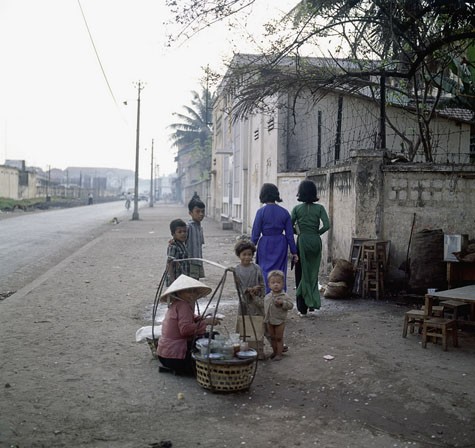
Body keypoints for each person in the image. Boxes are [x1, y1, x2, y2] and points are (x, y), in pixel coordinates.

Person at [157, 275, 220, 375]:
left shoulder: (176, 303)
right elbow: (185, 330)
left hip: (164, 355)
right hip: (175, 357)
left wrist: (201, 318)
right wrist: (206, 322)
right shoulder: (183, 305)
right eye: (188, 291)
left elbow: (188, 318)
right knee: (213, 337)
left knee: (209, 337)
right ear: (179, 292)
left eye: (193, 291)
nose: (192, 294)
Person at [291, 179, 330, 315]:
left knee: (301, 273)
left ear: (300, 193)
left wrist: (298, 232)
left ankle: (302, 308)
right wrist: (317, 233)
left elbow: (290, 226)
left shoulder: (296, 209)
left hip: (302, 241)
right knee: (313, 273)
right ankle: (312, 303)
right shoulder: (320, 208)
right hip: (315, 241)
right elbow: (327, 225)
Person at [251, 183, 298, 293]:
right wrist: (294, 252)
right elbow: (290, 235)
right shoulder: (284, 212)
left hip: (265, 244)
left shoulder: (260, 212)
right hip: (281, 244)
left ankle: (265, 294)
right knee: (280, 271)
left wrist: (249, 249)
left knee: (264, 271)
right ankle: (279, 295)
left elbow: (255, 234)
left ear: (262, 195)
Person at [233, 238, 266, 359]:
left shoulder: (256, 268)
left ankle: (258, 351)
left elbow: (263, 285)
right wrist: (246, 290)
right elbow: (238, 288)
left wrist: (257, 289)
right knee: (243, 325)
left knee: (257, 325)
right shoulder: (236, 270)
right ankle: (243, 350)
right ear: (239, 255)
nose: (247, 257)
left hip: (255, 302)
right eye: (244, 254)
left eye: (250, 254)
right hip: (244, 302)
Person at [263, 270, 294, 361]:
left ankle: (279, 354)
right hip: (270, 320)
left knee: (279, 338)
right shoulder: (268, 296)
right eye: (273, 283)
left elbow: (290, 305)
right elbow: (264, 307)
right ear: (269, 284)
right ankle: (275, 351)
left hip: (280, 320)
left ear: (283, 284)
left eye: (278, 282)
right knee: (272, 337)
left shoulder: (284, 296)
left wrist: (282, 303)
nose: (276, 285)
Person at [186, 196, 206, 280]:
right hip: (190, 262)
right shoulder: (188, 227)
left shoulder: (199, 227)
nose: (201, 214)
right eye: (197, 211)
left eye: (203, 211)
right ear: (190, 213)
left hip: (198, 261)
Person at [166, 218, 190, 286]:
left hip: (183, 278)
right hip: (176, 279)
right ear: (173, 234)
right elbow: (170, 264)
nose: (183, 234)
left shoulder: (183, 244)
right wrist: (173, 281)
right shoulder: (173, 246)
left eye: (185, 231)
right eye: (179, 232)